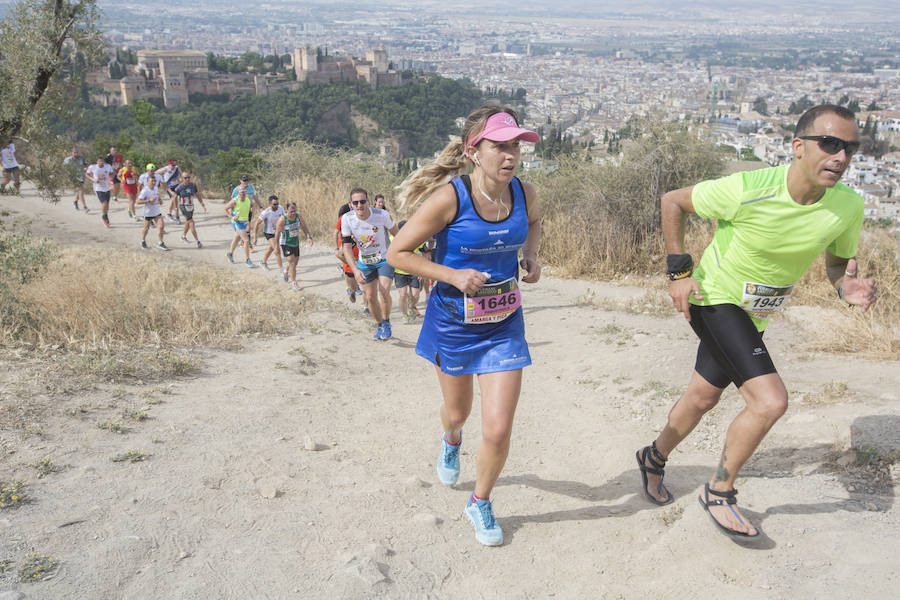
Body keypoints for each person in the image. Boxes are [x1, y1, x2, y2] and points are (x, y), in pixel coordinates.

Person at [635, 104, 878, 540]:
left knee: (701, 397)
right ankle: (719, 491)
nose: (841, 157)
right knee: (769, 401)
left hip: (756, 313)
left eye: (850, 148)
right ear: (798, 146)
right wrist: (679, 273)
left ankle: (652, 457)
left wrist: (846, 287)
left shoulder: (847, 205)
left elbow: (837, 263)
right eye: (830, 144)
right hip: (715, 298)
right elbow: (673, 201)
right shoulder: (749, 188)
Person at [387, 105, 542, 546]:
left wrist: (531, 255)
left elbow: (534, 222)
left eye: (515, 146)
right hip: (454, 324)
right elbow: (398, 254)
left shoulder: (525, 193)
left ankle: (480, 501)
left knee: (498, 428)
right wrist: (452, 275)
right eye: (499, 146)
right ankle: (452, 438)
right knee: (459, 413)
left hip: (504, 325)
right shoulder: (450, 199)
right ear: (474, 152)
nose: (510, 155)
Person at [341, 188, 398, 340]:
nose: (359, 205)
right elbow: (346, 248)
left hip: (384, 258)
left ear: (368, 201)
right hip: (365, 262)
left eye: (362, 201)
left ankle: (386, 322)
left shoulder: (382, 215)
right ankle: (380, 325)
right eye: (356, 203)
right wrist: (355, 270)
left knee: (384, 291)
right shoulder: (347, 219)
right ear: (351, 204)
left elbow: (397, 234)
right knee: (370, 297)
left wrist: (399, 253)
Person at [391, 220, 427, 323]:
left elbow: (425, 252)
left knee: (416, 295)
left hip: (414, 271)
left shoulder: (416, 238)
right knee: (403, 294)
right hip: (399, 272)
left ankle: (411, 307)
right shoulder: (393, 239)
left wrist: (422, 270)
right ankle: (405, 315)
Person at [273, 201, 313, 291]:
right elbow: (277, 233)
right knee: (292, 262)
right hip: (286, 243)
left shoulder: (298, 216)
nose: (293, 213)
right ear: (286, 210)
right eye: (291, 211)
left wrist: (308, 236)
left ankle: (286, 271)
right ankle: (294, 282)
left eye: (294, 211)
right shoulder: (282, 220)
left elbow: (304, 226)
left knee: (294, 263)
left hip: (295, 242)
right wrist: (276, 247)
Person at [335, 202, 366, 307]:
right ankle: (352, 290)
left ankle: (366, 306)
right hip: (350, 257)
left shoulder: (363, 220)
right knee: (351, 278)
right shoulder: (344, 219)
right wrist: (353, 264)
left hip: (361, 256)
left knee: (366, 284)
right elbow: (339, 254)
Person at [172, 173, 206, 247]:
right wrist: (176, 208)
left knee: (188, 221)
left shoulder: (193, 185)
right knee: (191, 222)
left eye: (188, 177)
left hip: (191, 206)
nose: (187, 179)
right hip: (183, 206)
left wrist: (202, 203)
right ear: (182, 179)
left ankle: (183, 236)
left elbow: (197, 194)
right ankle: (198, 241)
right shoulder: (179, 187)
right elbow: (174, 197)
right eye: (185, 178)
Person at [224, 188, 257, 267]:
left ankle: (230, 254)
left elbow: (252, 204)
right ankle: (248, 260)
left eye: (244, 191)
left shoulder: (248, 198)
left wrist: (252, 208)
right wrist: (232, 217)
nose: (243, 192)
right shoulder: (234, 201)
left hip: (244, 221)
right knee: (246, 240)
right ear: (238, 192)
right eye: (241, 191)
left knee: (237, 238)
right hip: (237, 222)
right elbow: (225, 209)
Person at [253, 195, 286, 271]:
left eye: (277, 203)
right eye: (274, 204)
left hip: (277, 232)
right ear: (270, 204)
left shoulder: (280, 208)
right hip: (269, 233)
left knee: (271, 248)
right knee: (277, 250)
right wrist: (255, 237)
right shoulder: (266, 212)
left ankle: (263, 262)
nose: (276, 206)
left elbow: (284, 218)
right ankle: (282, 270)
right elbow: (256, 223)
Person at [135, 174, 168, 250]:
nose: (153, 182)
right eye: (152, 181)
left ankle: (161, 243)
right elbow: (138, 201)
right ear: (147, 182)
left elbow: (157, 195)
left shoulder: (156, 188)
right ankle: (143, 240)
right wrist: (149, 201)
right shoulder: (145, 191)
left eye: (155, 181)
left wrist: (160, 200)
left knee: (161, 226)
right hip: (148, 212)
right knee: (146, 228)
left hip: (156, 211)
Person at [232, 174, 264, 251]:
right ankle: (243, 242)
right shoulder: (236, 189)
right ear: (240, 181)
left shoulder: (251, 187)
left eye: (247, 180)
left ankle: (248, 244)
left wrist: (260, 206)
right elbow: (232, 201)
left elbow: (255, 197)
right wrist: (232, 214)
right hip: (239, 212)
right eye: (244, 180)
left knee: (247, 228)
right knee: (240, 230)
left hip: (248, 211)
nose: (246, 182)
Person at [85, 155, 115, 227]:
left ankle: (105, 215)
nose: (101, 163)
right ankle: (104, 217)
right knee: (104, 203)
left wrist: (110, 179)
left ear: (104, 162)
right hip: (98, 188)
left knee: (107, 205)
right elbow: (87, 174)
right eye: (99, 161)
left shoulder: (108, 166)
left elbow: (111, 174)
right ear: (97, 162)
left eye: (102, 161)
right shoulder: (93, 167)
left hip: (106, 187)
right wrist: (93, 180)